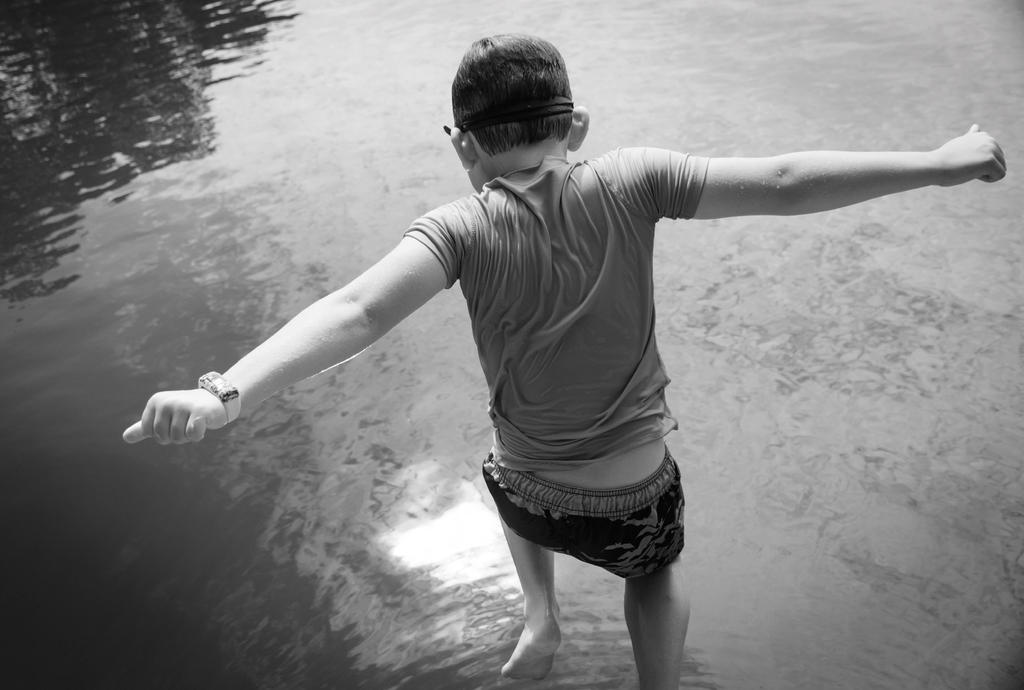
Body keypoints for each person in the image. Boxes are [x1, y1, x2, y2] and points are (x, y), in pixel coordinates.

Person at [123, 34, 1006, 690]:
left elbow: (354, 311)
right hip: (630, 502)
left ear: (462, 144)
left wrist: (225, 393)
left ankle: (540, 616)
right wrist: (940, 164)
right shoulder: (634, 179)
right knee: (655, 574)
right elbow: (783, 182)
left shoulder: (457, 228)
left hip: (529, 496)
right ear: (577, 125)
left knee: (502, 451)